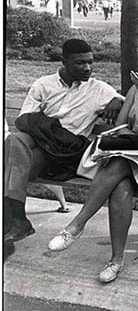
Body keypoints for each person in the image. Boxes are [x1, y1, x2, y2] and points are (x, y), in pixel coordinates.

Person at [47, 46, 138, 283]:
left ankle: (77, 225)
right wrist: (131, 131)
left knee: (119, 166)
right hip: (130, 152)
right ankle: (115, 261)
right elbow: (123, 124)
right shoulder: (137, 90)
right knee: (121, 187)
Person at [4, 39, 123, 242]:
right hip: (40, 145)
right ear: (64, 62)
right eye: (80, 63)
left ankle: (15, 220)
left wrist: (117, 99)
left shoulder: (99, 89)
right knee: (15, 140)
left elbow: (129, 102)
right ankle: (16, 221)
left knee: (10, 163)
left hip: (66, 154)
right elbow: (24, 120)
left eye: (90, 62)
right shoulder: (44, 84)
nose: (88, 68)